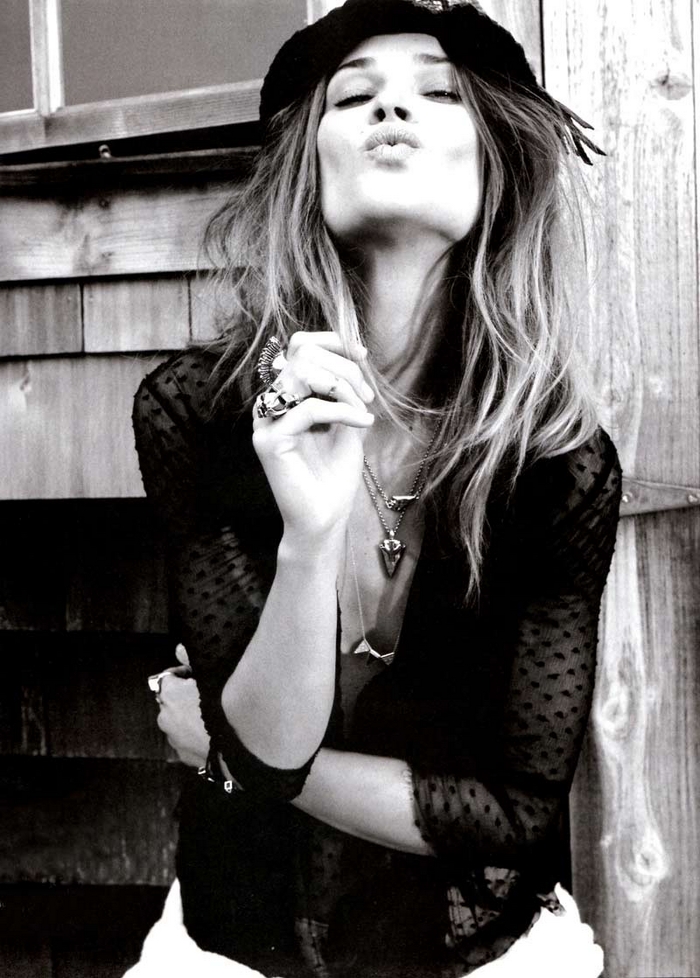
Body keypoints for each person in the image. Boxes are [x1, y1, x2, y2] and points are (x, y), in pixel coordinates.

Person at [130, 2, 621, 975]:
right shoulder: (201, 414)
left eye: (438, 93)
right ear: (306, 171)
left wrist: (226, 753)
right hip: (233, 947)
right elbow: (269, 741)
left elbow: (513, 812)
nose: (391, 109)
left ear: (496, 165)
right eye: (353, 98)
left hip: (468, 954)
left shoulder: (556, 465)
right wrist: (309, 535)